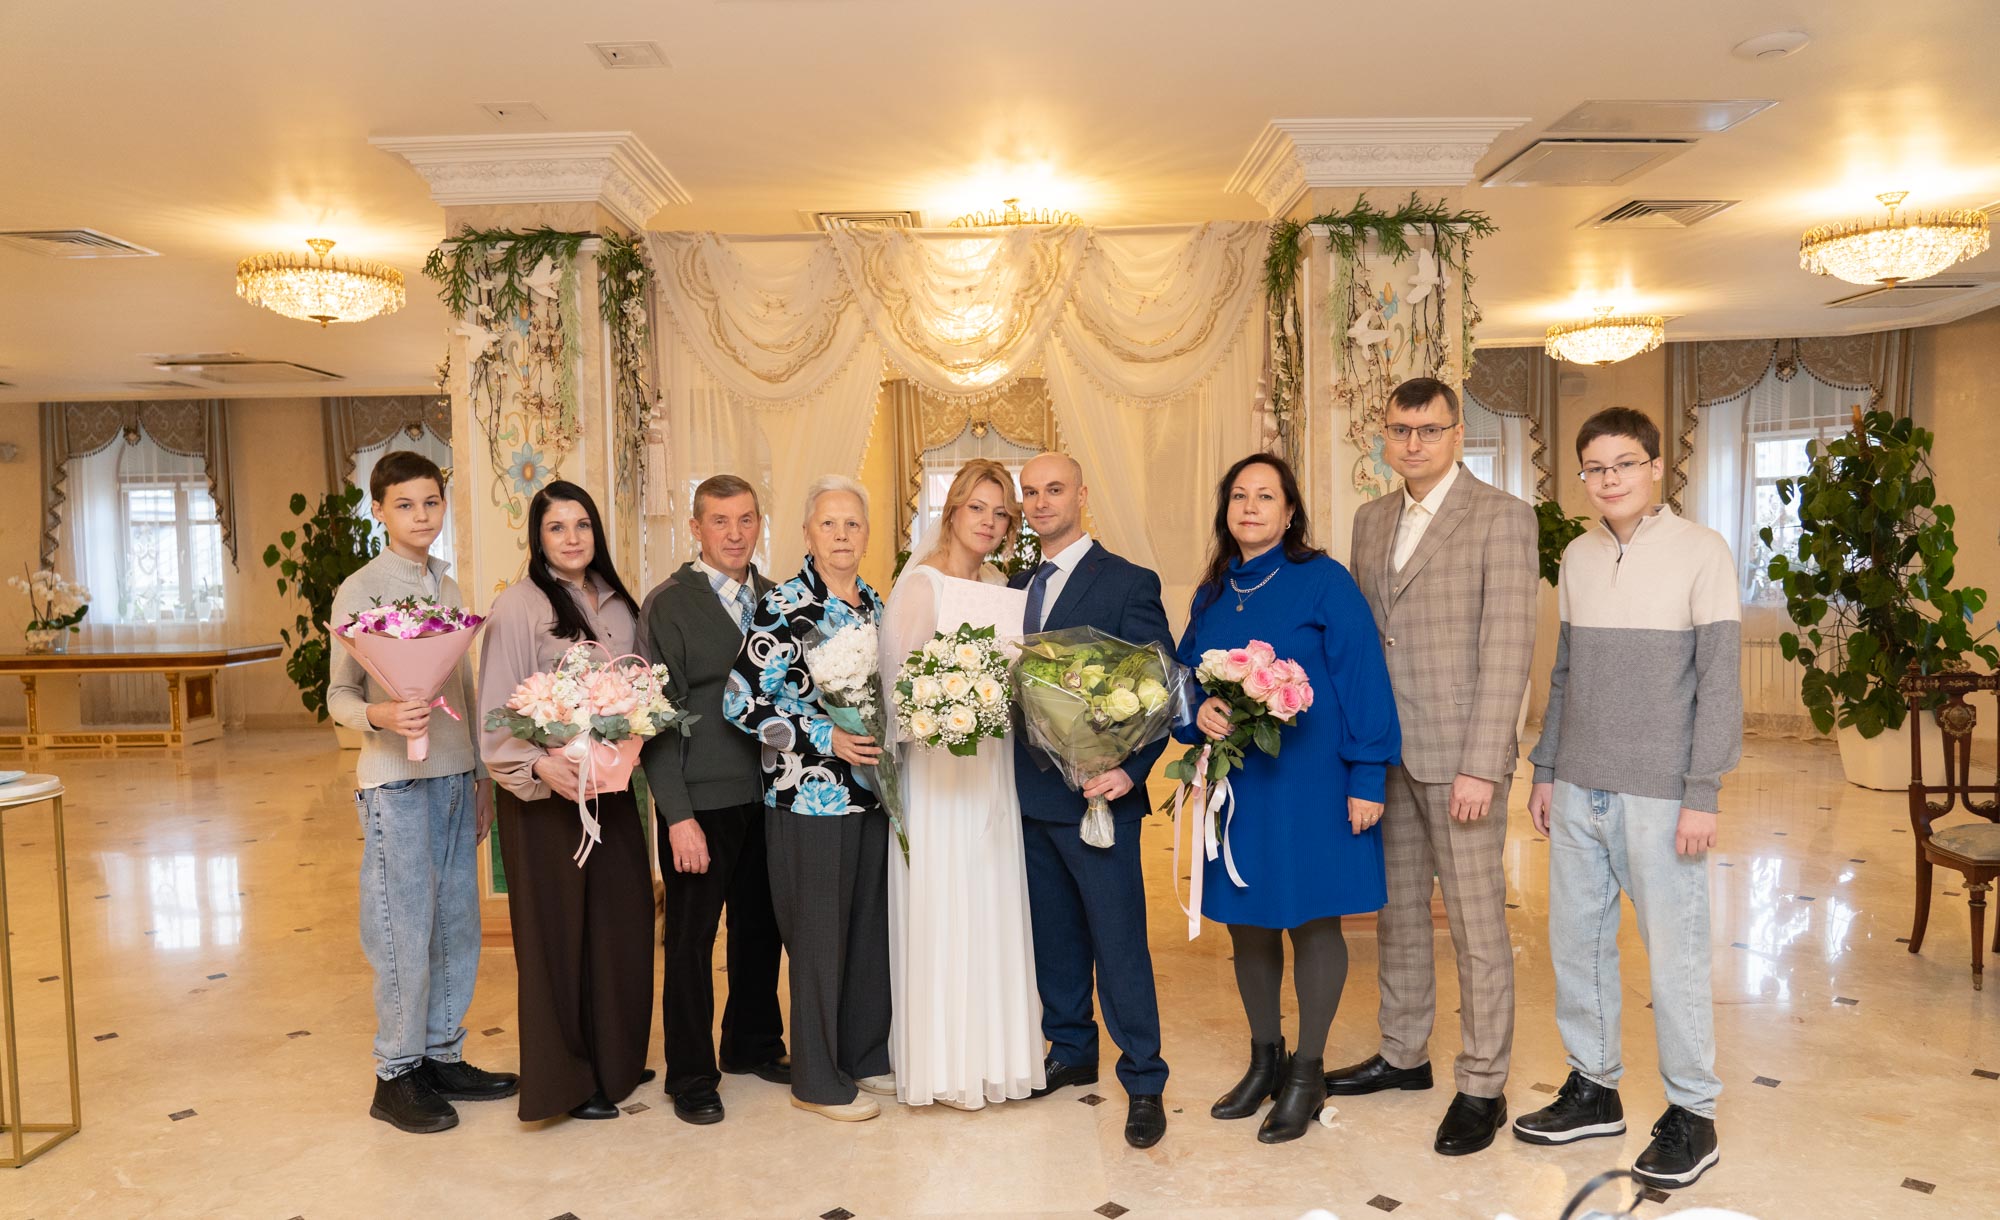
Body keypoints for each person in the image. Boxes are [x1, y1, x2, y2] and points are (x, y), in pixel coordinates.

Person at [1514, 407, 1740, 1190]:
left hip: (1662, 794)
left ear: (1655, 468)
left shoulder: (1701, 551)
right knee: (1577, 944)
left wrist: (1702, 792)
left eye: (1625, 464)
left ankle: (1694, 1115)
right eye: (1595, 468)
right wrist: (1547, 767)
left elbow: (1719, 683)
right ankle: (1594, 1089)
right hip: (1579, 784)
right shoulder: (1578, 556)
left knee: (1674, 956)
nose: (1610, 479)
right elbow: (1566, 673)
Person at [1328, 377, 1538, 1156]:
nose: (1412, 442)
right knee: (1399, 915)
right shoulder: (1370, 520)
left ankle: (1482, 1083)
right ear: (1384, 437)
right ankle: (1402, 1054)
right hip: (1389, 753)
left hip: (1461, 762)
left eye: (1428, 429)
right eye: (1399, 429)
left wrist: (1483, 764)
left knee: (1477, 926)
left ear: (1457, 434)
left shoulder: (1503, 517)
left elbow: (1508, 647)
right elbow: (1364, 644)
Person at [1172, 452, 1400, 1144]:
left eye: (1265, 496)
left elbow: (1364, 676)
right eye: (1239, 496)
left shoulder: (1324, 581)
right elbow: (1183, 675)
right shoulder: (1213, 592)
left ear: (1290, 510)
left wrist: (1367, 775)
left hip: (1312, 783)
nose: (1250, 507)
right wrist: (1198, 712)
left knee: (1313, 922)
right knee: (1247, 923)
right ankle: (1264, 1059)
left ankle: (1307, 1070)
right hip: (1242, 786)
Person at [328, 450, 516, 1133]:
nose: (421, 516)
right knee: (401, 928)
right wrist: (381, 715)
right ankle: (396, 1073)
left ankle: (441, 1054)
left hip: (455, 777)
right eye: (405, 504)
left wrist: (481, 775)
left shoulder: (449, 585)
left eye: (431, 502)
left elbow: (461, 685)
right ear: (379, 510)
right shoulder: (359, 590)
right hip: (396, 786)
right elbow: (338, 696)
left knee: (456, 924)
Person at [478, 480, 654, 1122]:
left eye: (582, 525)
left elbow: (637, 687)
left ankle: (614, 1061)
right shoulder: (518, 606)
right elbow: (496, 707)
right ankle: (567, 1081)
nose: (572, 538)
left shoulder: (617, 600)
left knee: (619, 926)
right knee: (558, 940)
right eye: (557, 527)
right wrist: (536, 767)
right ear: (538, 537)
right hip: (547, 798)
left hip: (611, 792)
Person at [1010, 452, 1172, 1149]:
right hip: (1030, 796)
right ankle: (1071, 1050)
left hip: (1099, 795)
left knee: (1119, 943)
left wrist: (1132, 771)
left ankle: (1144, 1078)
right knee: (1055, 939)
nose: (1041, 503)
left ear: (1081, 494)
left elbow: (1161, 687)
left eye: (1054, 489)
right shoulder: (1013, 588)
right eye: (1030, 493)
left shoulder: (1128, 581)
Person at [723, 476, 895, 1123]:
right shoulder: (784, 605)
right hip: (808, 801)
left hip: (872, 796)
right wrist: (827, 736)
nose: (841, 535)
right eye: (829, 524)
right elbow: (739, 701)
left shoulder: (876, 604)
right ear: (807, 534)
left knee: (867, 934)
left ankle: (864, 1056)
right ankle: (817, 1080)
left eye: (852, 524)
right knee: (819, 942)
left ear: (867, 534)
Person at [878, 459, 1044, 1109]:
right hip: (938, 775)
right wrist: (951, 712)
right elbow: (896, 697)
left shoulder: (1003, 588)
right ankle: (942, 1067)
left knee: (990, 901)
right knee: (945, 904)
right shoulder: (922, 586)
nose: (989, 522)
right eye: (978, 507)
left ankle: (995, 1059)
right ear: (952, 511)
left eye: (1001, 513)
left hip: (991, 769)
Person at [640, 474, 788, 1125]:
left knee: (761, 928)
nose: (734, 533)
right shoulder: (669, 605)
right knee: (693, 940)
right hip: (701, 803)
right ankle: (692, 1073)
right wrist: (678, 818)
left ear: (759, 525)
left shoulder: (778, 598)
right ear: (696, 528)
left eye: (745, 519)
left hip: (771, 796)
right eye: (720, 521)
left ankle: (752, 1043)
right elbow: (654, 721)